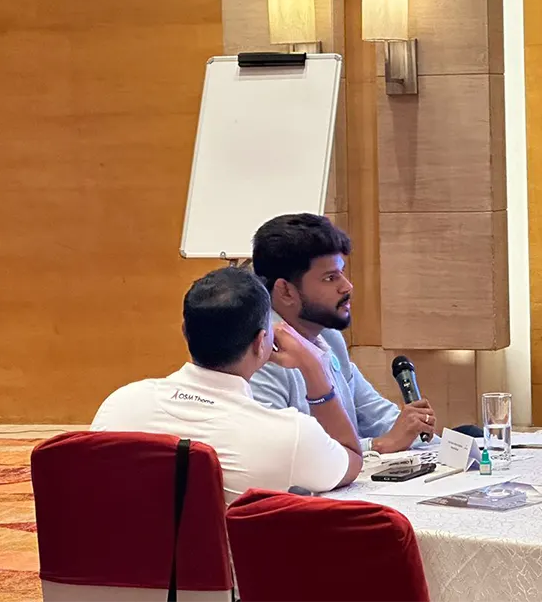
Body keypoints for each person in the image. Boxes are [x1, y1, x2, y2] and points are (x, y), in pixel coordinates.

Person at [91, 267, 362, 502]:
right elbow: (350, 459)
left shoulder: (119, 406)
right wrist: (314, 370)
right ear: (261, 342)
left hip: (124, 549)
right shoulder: (291, 435)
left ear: (185, 332)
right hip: (232, 551)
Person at [249, 213, 438, 453]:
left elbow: (376, 414)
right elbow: (284, 455)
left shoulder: (328, 337)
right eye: (330, 278)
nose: (347, 286)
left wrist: (436, 444)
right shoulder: (261, 355)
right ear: (286, 291)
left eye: (342, 272)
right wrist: (379, 445)